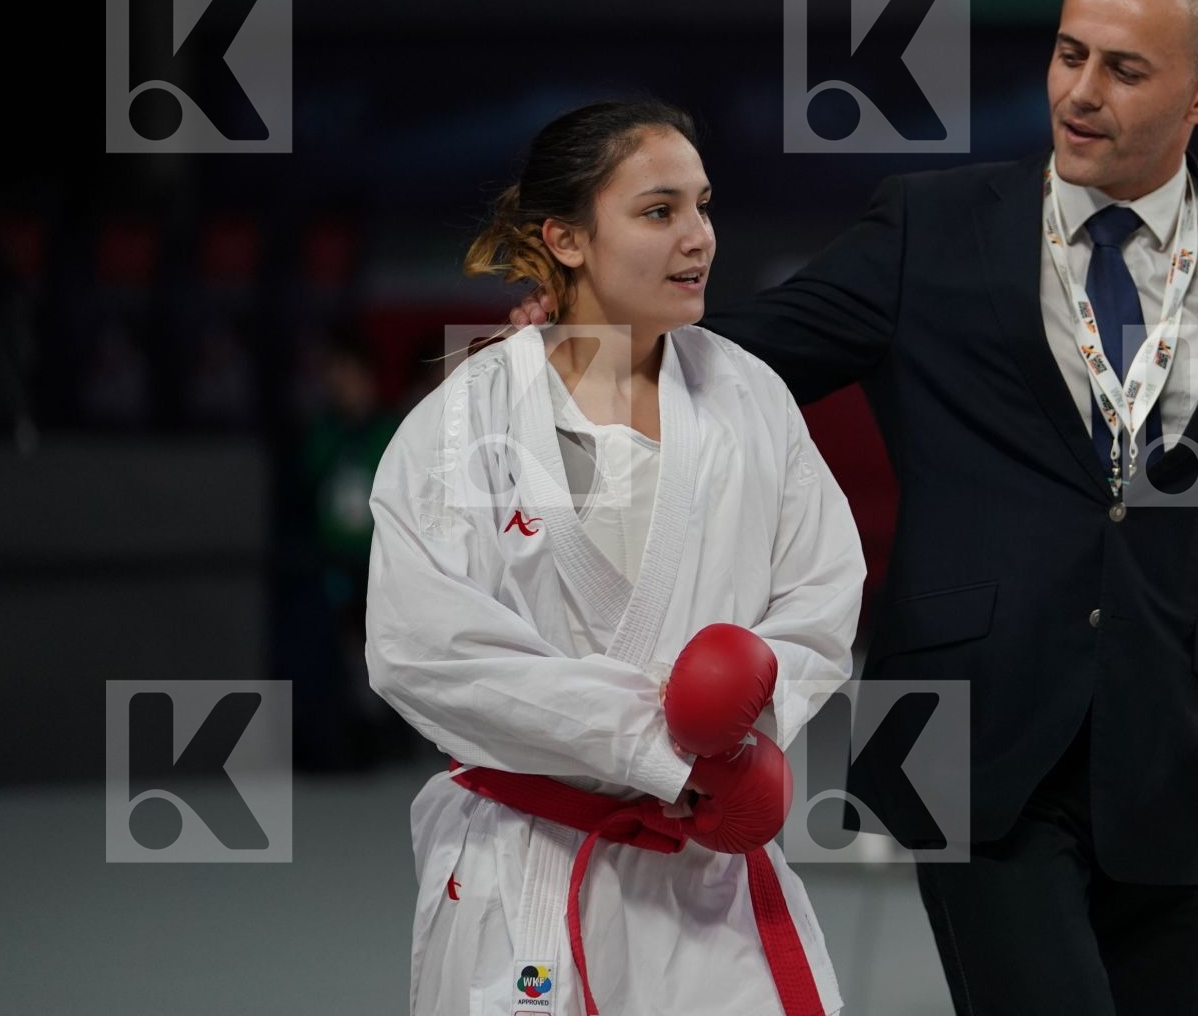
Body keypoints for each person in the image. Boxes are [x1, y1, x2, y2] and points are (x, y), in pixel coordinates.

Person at [508, 0, 1198, 1016]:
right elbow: (734, 366)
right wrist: (589, 343)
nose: (1080, 91)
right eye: (1068, 53)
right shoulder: (928, 230)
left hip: (1172, 749)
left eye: (1125, 70)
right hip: (960, 734)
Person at [366, 99, 863, 1015]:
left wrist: (746, 736)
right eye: (658, 211)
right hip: (532, 864)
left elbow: (823, 585)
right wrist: (669, 749)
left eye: (703, 206)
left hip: (707, 871)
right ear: (565, 238)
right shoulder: (468, 420)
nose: (699, 238)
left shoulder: (749, 396)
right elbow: (422, 649)